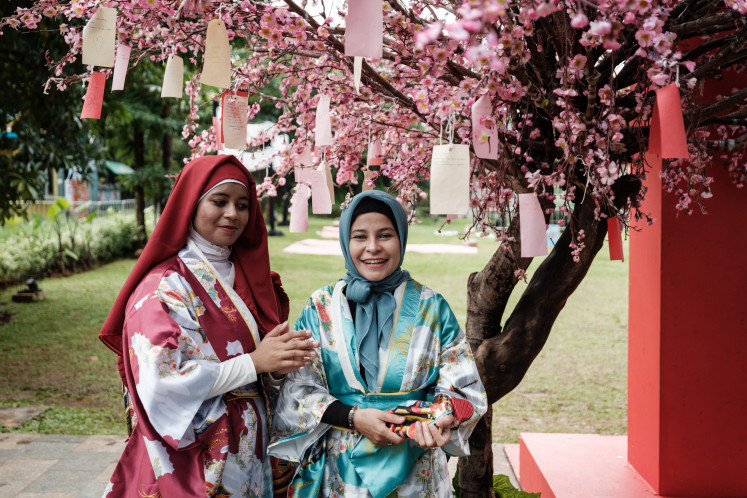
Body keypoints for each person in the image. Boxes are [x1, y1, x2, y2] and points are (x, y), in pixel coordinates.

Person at [98, 155, 319, 497]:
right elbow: (161, 382)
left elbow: (267, 363)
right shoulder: (163, 287)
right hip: (198, 458)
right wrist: (255, 363)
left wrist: (278, 366)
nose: (233, 213)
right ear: (191, 204)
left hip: (252, 453)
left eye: (243, 204)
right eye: (220, 201)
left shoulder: (253, 282)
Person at [268, 190, 487, 497]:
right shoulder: (320, 307)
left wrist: (441, 416)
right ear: (346, 241)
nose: (373, 248)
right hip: (340, 471)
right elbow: (298, 387)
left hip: (415, 466)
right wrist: (353, 417)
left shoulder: (432, 307)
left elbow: (463, 385)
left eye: (385, 235)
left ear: (401, 237)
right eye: (360, 236)